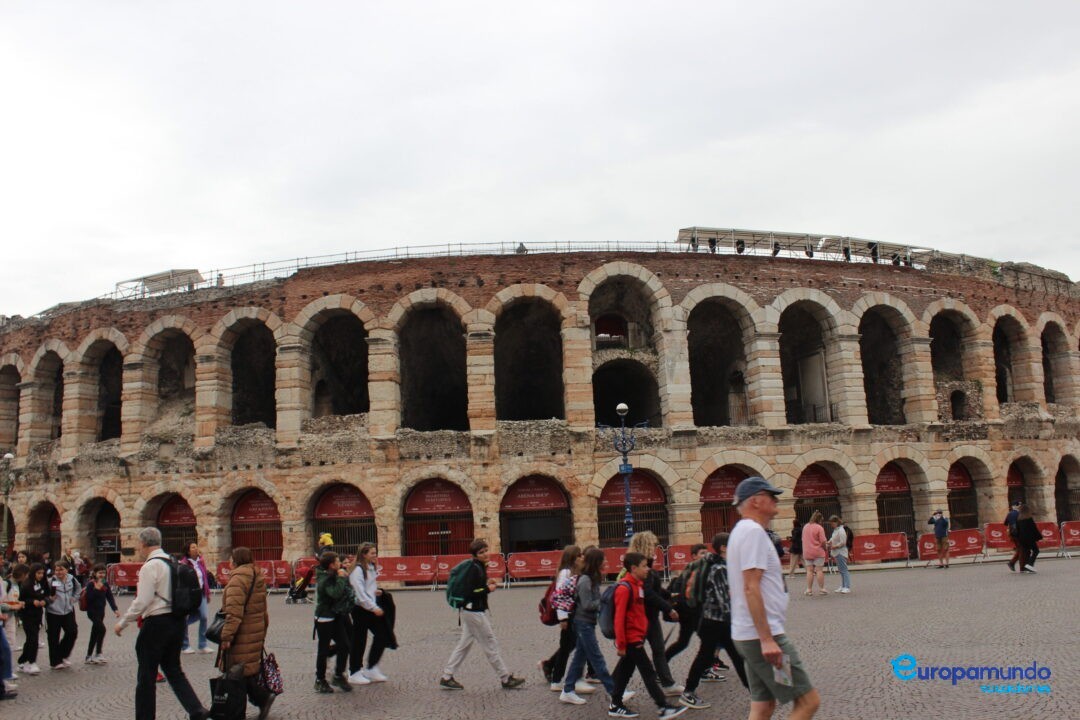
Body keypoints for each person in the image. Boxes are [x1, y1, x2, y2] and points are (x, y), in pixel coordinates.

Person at [729, 477, 820, 720]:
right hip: (764, 640)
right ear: (756, 501)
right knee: (807, 702)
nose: (776, 500)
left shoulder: (741, 531)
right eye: (771, 496)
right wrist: (768, 640)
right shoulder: (752, 533)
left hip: (750, 636)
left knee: (763, 705)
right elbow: (750, 587)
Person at [114, 527, 209, 720]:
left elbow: (143, 600)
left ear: (143, 544)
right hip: (177, 622)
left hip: (156, 623)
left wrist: (123, 623)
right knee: (174, 670)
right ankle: (197, 710)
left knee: (146, 676)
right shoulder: (172, 562)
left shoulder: (150, 566)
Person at [609, 552, 687, 719]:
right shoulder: (624, 588)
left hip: (636, 636)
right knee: (648, 673)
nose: (647, 569)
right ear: (633, 568)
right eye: (644, 566)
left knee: (625, 671)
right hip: (632, 639)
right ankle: (663, 706)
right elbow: (619, 618)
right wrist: (622, 644)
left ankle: (615, 703)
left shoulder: (638, 585)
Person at [439, 539, 525, 691]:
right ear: (475, 555)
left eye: (486, 550)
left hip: (470, 611)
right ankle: (505, 678)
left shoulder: (478, 567)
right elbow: (470, 591)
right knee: (490, 643)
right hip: (473, 612)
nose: (485, 554)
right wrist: (488, 589)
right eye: (481, 552)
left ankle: (447, 676)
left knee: (463, 645)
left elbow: (476, 587)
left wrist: (485, 585)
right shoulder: (475, 569)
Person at [559, 546, 636, 707]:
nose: (606, 562)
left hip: (587, 623)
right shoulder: (586, 580)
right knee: (597, 658)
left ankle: (567, 691)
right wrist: (603, 601)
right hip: (583, 624)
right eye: (604, 559)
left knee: (579, 658)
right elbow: (587, 604)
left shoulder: (592, 578)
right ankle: (614, 691)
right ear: (597, 562)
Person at [678, 533, 748, 710]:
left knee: (732, 656)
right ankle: (688, 692)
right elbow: (722, 598)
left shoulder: (721, 565)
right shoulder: (719, 568)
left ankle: (757, 693)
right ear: (724, 548)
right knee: (708, 655)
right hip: (714, 620)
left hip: (717, 620)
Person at [622, 531, 681, 696]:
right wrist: (668, 607)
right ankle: (616, 686)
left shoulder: (644, 565)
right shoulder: (643, 566)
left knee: (656, 650)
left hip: (649, 616)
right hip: (643, 616)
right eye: (654, 545)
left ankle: (667, 683)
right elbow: (648, 593)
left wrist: (669, 595)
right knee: (634, 655)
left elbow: (654, 590)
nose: (656, 549)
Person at [218, 546, 274, 719]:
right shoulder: (256, 575)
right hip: (255, 630)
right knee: (245, 669)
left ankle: (237, 713)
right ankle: (262, 698)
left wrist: (227, 636)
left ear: (235, 560)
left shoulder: (237, 579)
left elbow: (234, 613)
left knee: (236, 672)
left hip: (242, 633)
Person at [541, 545, 594, 695]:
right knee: (566, 648)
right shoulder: (565, 572)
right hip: (568, 616)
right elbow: (560, 594)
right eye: (579, 556)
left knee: (570, 646)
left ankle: (554, 671)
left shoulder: (577, 572)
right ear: (572, 559)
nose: (582, 558)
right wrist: (562, 617)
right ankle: (558, 680)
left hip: (575, 615)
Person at [348, 542, 393, 685]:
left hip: (370, 606)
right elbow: (359, 593)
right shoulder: (358, 570)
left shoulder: (371, 567)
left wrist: (375, 592)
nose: (375, 555)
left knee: (383, 635)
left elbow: (368, 587)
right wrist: (373, 607)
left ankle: (371, 667)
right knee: (359, 640)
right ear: (364, 554)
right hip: (361, 609)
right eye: (372, 553)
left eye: (375, 552)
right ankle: (354, 671)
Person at [313, 551, 355, 693]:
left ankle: (338, 674)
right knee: (323, 650)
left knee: (345, 645)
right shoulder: (324, 579)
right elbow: (335, 593)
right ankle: (320, 680)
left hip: (335, 615)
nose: (340, 563)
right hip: (324, 618)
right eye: (337, 561)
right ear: (331, 565)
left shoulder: (333, 575)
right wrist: (342, 578)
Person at [664, 543, 707, 663]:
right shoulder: (692, 569)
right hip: (690, 613)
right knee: (687, 642)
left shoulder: (702, 568)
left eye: (706, 553)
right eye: (702, 553)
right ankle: (662, 661)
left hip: (694, 612)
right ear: (694, 556)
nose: (705, 555)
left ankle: (663, 661)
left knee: (685, 642)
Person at [45, 560, 80, 670]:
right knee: (53, 637)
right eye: (56, 570)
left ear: (67, 569)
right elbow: (44, 594)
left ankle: (63, 654)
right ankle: (55, 661)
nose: (59, 572)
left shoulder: (72, 579)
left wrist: (74, 598)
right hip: (53, 612)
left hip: (68, 610)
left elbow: (78, 589)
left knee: (72, 632)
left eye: (61, 569)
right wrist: (49, 600)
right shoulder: (51, 581)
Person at [180, 542, 213, 654]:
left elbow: (204, 578)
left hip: (201, 592)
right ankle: (185, 645)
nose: (196, 548)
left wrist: (207, 593)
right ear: (188, 551)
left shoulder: (201, 562)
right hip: (189, 594)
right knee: (184, 619)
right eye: (193, 547)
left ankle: (202, 644)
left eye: (196, 546)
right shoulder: (184, 563)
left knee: (203, 616)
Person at [83, 563, 119, 664]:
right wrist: (96, 589)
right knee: (102, 629)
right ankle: (98, 652)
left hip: (101, 612)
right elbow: (89, 598)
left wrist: (115, 609)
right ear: (95, 573)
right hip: (92, 612)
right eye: (100, 573)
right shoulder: (91, 584)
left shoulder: (105, 583)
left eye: (103, 573)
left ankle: (89, 655)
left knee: (95, 633)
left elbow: (109, 597)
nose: (102, 575)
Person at [17, 563, 48, 674]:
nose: (40, 575)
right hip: (27, 615)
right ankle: (32, 662)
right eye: (38, 573)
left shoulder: (42, 583)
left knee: (31, 639)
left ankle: (22, 660)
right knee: (33, 639)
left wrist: (45, 601)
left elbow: (46, 595)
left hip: (37, 615)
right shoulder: (26, 584)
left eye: (42, 573)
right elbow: (21, 599)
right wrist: (32, 601)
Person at [800, 512, 828, 596]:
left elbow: (803, 539)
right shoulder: (819, 528)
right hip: (818, 551)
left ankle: (809, 589)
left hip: (807, 551)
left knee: (809, 571)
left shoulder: (805, 527)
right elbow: (823, 541)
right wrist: (825, 548)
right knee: (819, 570)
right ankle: (822, 589)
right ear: (819, 519)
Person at [827, 517, 851, 593]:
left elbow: (843, 542)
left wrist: (835, 546)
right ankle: (843, 585)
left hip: (841, 552)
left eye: (832, 523)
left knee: (844, 570)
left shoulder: (841, 530)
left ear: (836, 522)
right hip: (837, 552)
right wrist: (829, 542)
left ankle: (847, 586)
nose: (831, 525)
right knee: (841, 570)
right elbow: (832, 538)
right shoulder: (836, 530)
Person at [1016, 506, 1041, 573]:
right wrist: (1039, 537)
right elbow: (1034, 529)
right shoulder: (1029, 519)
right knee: (1036, 550)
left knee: (1027, 552)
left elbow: (1017, 530)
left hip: (1022, 539)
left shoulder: (1019, 519)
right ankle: (1030, 564)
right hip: (1029, 538)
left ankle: (1026, 566)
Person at [1004, 501, 1023, 571]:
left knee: (1020, 549)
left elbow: (1005, 523)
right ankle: (1020, 566)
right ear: (1017, 506)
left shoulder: (1009, 514)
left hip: (1012, 534)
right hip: (1019, 534)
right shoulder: (1019, 514)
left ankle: (1012, 563)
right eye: (1020, 505)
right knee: (1022, 550)